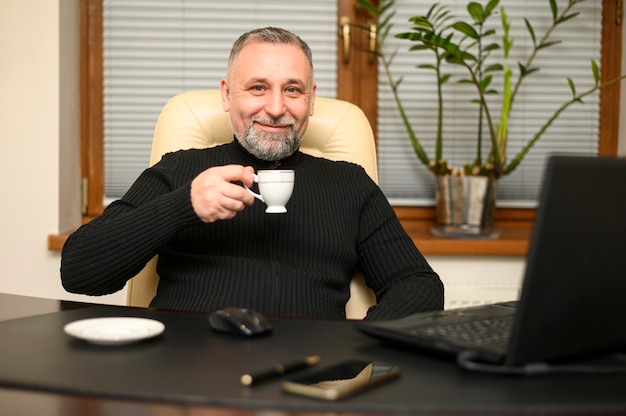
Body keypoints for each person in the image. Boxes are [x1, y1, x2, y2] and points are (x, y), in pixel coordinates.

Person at [61, 27, 444, 320]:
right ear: (228, 95)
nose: (276, 107)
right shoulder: (180, 169)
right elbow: (80, 272)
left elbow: (419, 285)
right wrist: (184, 205)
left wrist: (354, 344)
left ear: (311, 100)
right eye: (258, 87)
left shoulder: (350, 184)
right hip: (186, 379)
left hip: (304, 383)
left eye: (292, 90)